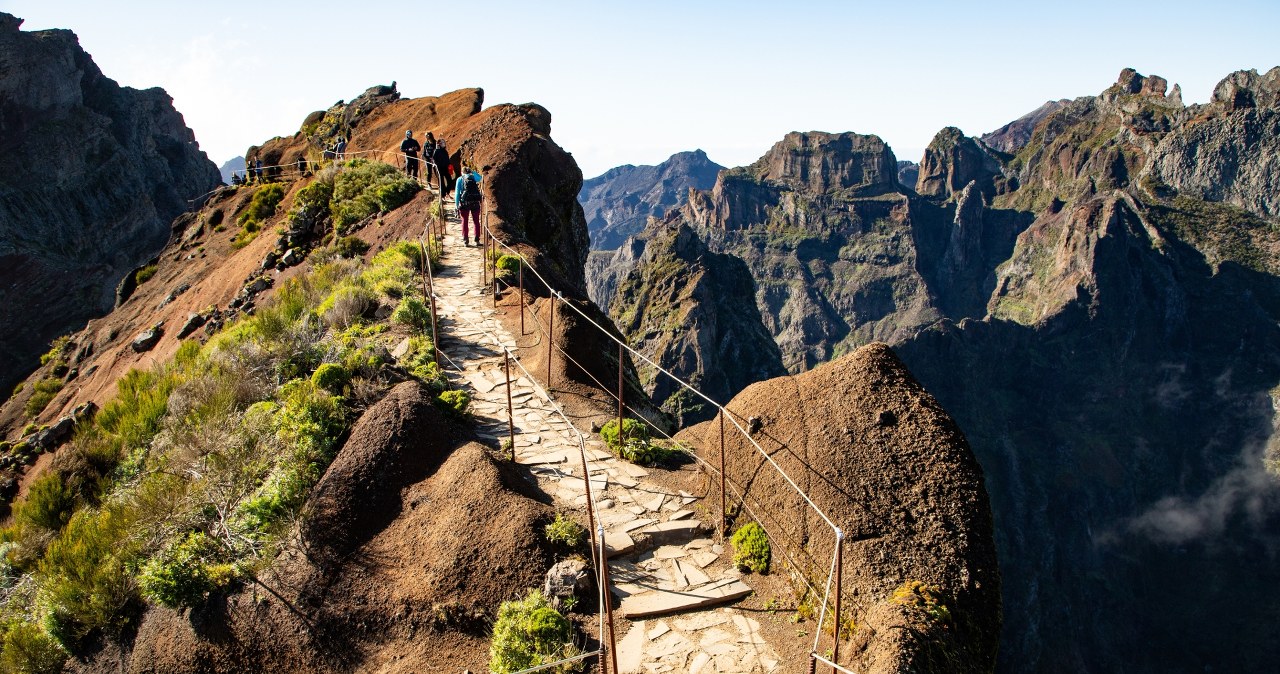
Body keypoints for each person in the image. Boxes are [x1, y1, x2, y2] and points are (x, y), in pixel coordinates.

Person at [455, 164, 483, 245]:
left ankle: (466, 240)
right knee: (476, 221)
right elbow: (480, 178)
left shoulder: (460, 179)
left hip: (464, 203)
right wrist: (473, 172)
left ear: (462, 172)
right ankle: (477, 239)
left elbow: (457, 193)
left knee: (464, 221)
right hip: (475, 202)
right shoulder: (473, 178)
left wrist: (456, 205)